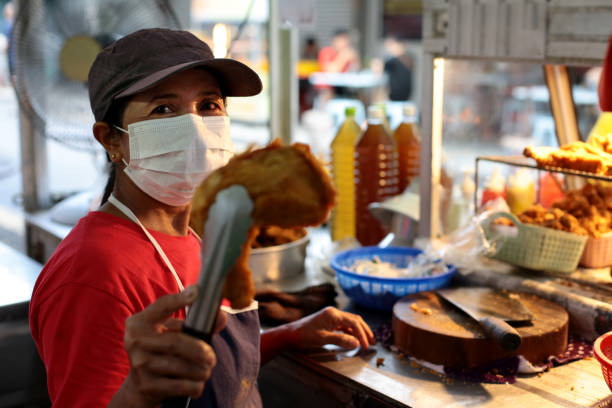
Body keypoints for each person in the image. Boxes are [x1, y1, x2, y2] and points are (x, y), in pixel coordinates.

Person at [29, 28, 375, 408]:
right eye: (163, 108)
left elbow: (207, 360)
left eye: (208, 105)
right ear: (111, 139)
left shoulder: (196, 232)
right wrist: (137, 395)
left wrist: (288, 335)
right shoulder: (93, 274)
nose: (194, 127)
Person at [383, 36, 413, 101]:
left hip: (396, 96)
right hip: (406, 96)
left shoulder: (394, 61)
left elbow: (380, 68)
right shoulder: (408, 59)